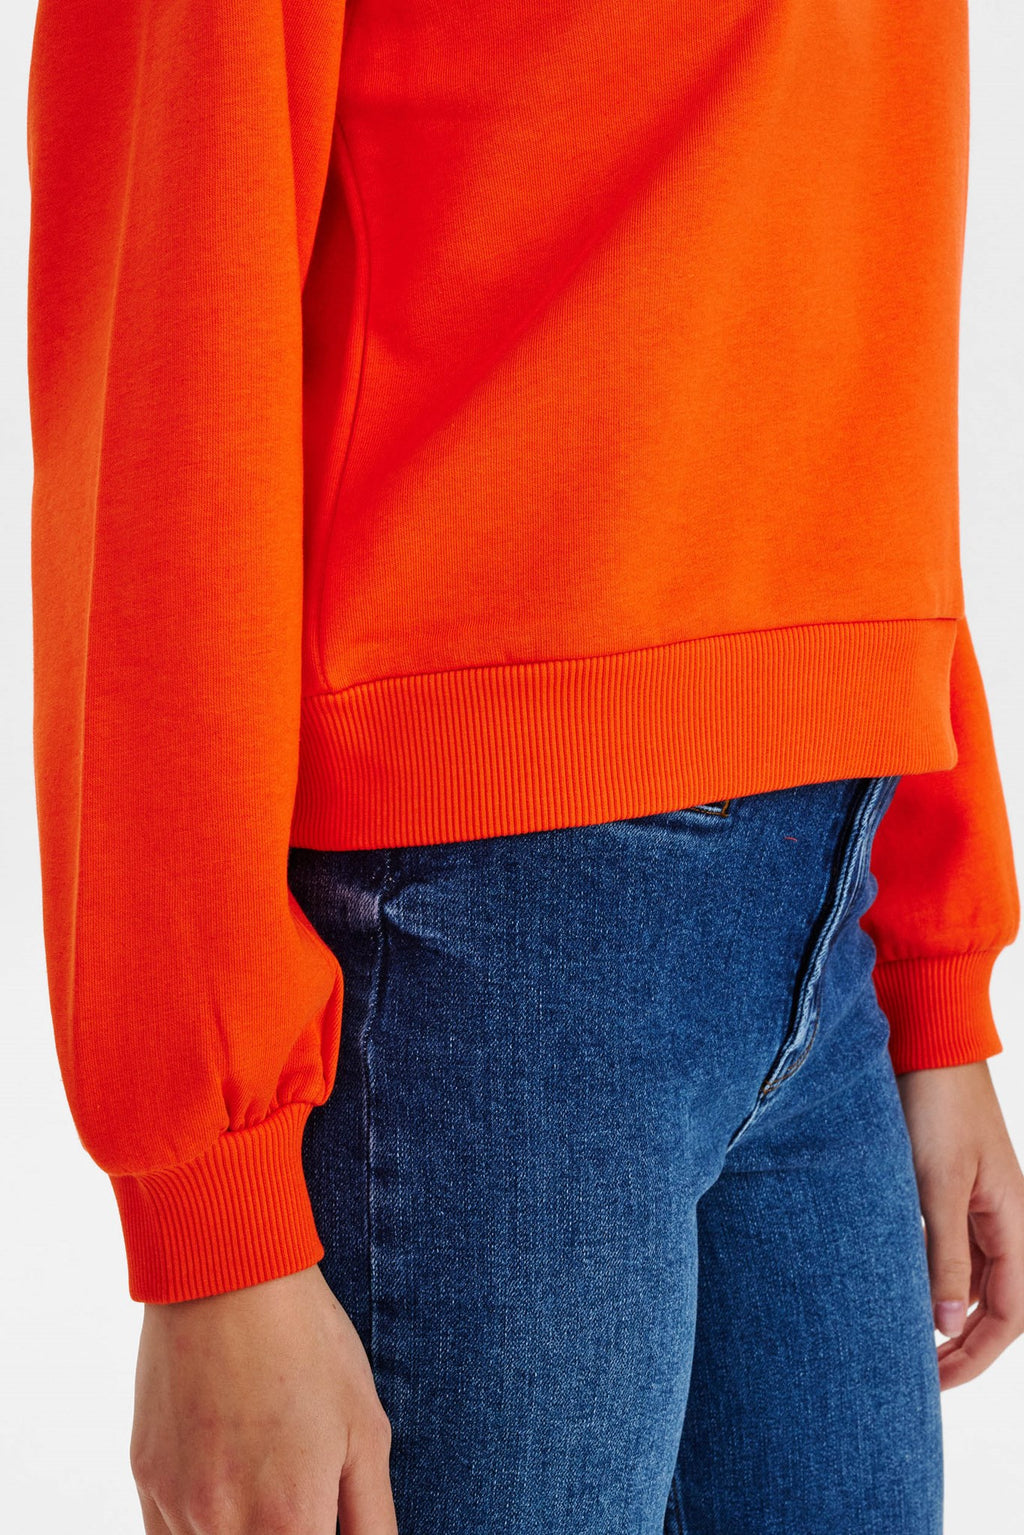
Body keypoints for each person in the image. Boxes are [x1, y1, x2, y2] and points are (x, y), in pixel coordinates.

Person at [25, 1, 1023, 1532]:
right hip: (483, 960)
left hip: (833, 919)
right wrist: (211, 1222)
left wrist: (930, 969)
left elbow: (830, 248)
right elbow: (165, 349)